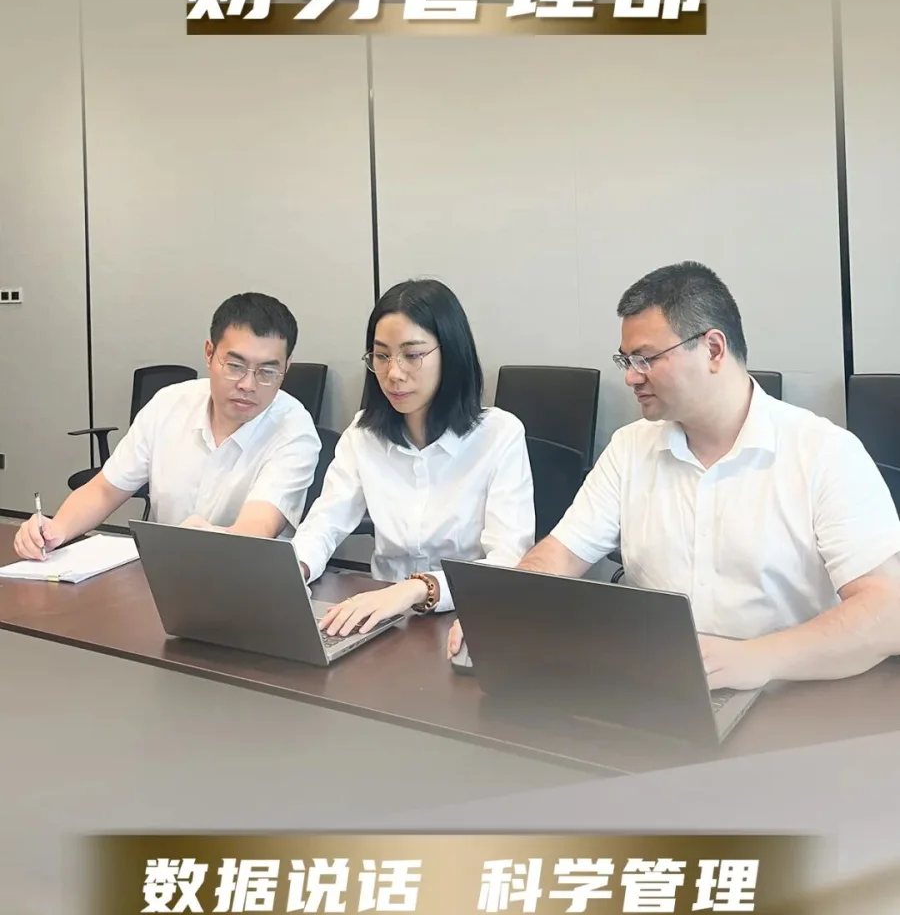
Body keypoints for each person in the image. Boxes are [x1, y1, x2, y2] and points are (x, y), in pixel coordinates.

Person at [447, 261, 900, 690]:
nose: (631, 378)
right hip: (658, 690)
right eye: (626, 361)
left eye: (645, 359)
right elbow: (559, 556)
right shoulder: (630, 448)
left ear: (713, 349)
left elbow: (888, 611)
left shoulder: (823, 453)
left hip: (791, 695)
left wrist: (756, 659)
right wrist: (503, 609)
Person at [293, 278, 534, 637]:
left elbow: (509, 559)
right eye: (381, 356)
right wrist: (296, 568)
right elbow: (324, 523)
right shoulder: (363, 433)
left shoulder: (499, 435)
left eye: (412, 355)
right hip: (383, 621)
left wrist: (418, 588)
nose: (393, 373)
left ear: (450, 354)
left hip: (469, 619)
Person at [14, 292, 321, 558]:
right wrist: (55, 531)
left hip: (247, 580)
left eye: (267, 372)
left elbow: (257, 527)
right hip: (162, 572)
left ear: (286, 367)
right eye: (235, 366)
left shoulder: (294, 430)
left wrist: (208, 540)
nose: (247, 384)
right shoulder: (169, 404)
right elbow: (106, 490)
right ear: (209, 353)